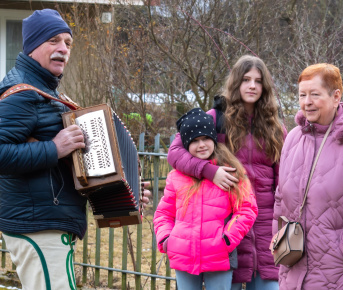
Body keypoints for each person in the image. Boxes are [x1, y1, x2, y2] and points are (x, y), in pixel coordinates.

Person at [0, 9, 150, 290]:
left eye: (68, 43)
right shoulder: (20, 95)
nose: (63, 49)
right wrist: (54, 148)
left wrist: (124, 191)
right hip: (37, 225)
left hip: (51, 222)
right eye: (54, 40)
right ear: (33, 46)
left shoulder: (50, 95)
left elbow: (76, 168)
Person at [167, 55, 286, 290]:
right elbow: (175, 153)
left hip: (265, 226)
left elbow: (283, 180)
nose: (252, 86)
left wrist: (282, 222)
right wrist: (209, 171)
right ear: (236, 83)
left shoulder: (276, 127)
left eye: (258, 81)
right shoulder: (215, 118)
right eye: (246, 79)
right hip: (226, 225)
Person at [154, 108, 258, 290]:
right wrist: (166, 239)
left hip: (219, 255)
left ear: (214, 139)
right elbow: (163, 213)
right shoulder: (176, 176)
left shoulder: (230, 171)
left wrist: (227, 239)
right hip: (183, 254)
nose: (201, 144)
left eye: (205, 138)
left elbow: (246, 209)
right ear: (186, 144)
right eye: (194, 141)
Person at [273, 63, 343, 289]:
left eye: (314, 94)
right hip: (293, 267)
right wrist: (278, 239)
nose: (307, 102)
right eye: (302, 95)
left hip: (338, 271)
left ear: (336, 96)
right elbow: (280, 198)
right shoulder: (294, 137)